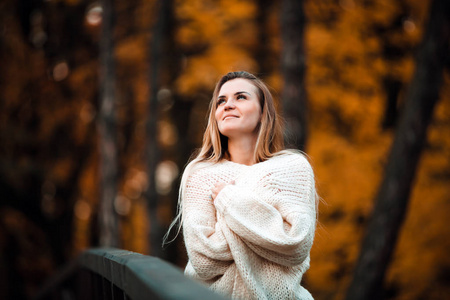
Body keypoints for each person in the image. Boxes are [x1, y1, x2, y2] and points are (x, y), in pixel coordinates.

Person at [166, 71, 317, 299]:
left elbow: (295, 243)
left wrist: (229, 201)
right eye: (221, 101)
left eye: (241, 97)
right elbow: (204, 259)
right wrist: (267, 233)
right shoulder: (200, 174)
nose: (228, 105)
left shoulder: (293, 168)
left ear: (262, 113)